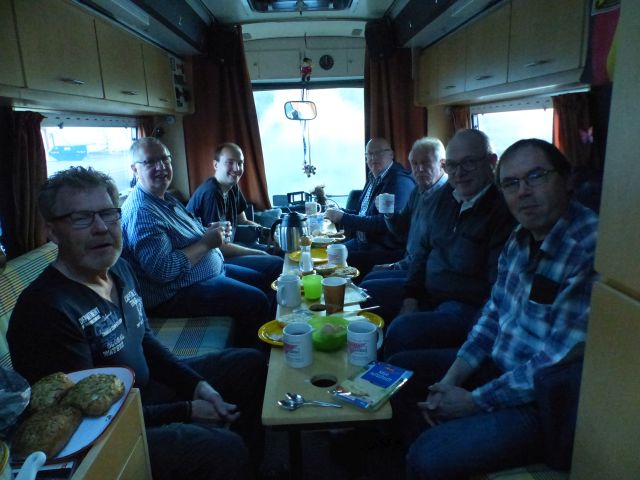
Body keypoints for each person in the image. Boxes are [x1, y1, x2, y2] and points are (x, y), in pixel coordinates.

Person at [7, 166, 266, 480]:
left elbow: (144, 341)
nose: (101, 227)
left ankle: (256, 464)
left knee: (250, 365)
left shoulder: (120, 270)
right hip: (104, 436)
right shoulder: (46, 311)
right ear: (52, 231)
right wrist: (187, 409)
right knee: (224, 450)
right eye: (81, 218)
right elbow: (84, 420)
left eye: (107, 213)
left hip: (144, 391)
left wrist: (196, 385)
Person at [390, 139, 599, 479]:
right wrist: (449, 381)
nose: (523, 191)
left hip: (539, 401)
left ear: (567, 179)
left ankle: (437, 449)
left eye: (536, 176)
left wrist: (475, 401)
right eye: (511, 183)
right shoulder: (520, 237)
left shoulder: (588, 248)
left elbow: (555, 360)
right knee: (399, 375)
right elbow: (491, 317)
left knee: (427, 457)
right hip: (495, 366)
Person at [120, 137, 271, 348]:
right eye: (150, 162)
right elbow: (162, 270)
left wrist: (208, 232)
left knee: (263, 280)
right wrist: (206, 244)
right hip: (173, 295)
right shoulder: (143, 212)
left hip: (204, 273)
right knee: (256, 301)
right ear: (135, 169)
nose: (161, 167)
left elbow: (184, 237)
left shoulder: (165, 198)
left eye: (165, 159)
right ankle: (254, 359)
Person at [382, 129, 515, 354]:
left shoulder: (503, 211)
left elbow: (496, 289)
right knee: (368, 292)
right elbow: (423, 249)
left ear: (492, 162)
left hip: (462, 304)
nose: (459, 173)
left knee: (400, 332)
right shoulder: (447, 196)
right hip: (427, 289)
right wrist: (411, 296)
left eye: (469, 163)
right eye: (452, 165)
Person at [186, 142, 283, 282]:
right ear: (216, 165)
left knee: (281, 252)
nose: (237, 169)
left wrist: (269, 233)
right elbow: (218, 245)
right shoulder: (211, 193)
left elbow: (242, 220)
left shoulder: (232, 187)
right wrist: (259, 253)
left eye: (240, 163)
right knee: (276, 263)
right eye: (230, 162)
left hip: (229, 246)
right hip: (213, 257)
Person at [360, 137, 448, 289]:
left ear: (442, 164)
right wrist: (388, 214)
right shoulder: (418, 191)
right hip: (409, 263)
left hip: (427, 274)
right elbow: (400, 229)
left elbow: (431, 253)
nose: (419, 169)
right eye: (415, 163)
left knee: (368, 286)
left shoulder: (450, 196)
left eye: (426, 162)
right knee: (368, 277)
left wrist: (397, 266)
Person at [324, 137, 415, 277]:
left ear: (391, 154)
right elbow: (363, 214)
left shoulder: (399, 182)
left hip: (383, 249)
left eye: (378, 153)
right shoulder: (374, 177)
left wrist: (342, 217)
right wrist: (340, 211)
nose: (373, 158)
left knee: (333, 263)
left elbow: (384, 223)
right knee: (327, 253)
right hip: (363, 243)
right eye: (369, 154)